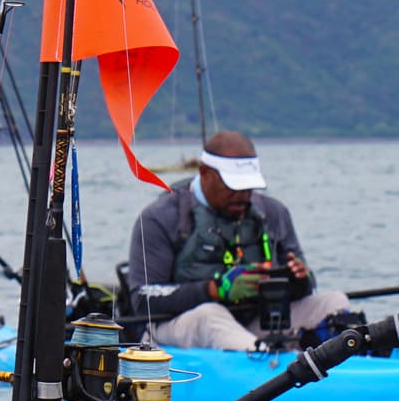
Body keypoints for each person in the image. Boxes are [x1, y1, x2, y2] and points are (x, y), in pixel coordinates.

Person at [125, 130, 350, 350]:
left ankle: (351, 357)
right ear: (204, 173)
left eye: (248, 186)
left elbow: (306, 287)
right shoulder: (159, 218)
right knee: (211, 315)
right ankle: (263, 361)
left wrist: (299, 279)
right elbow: (141, 300)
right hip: (179, 326)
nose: (242, 195)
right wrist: (214, 290)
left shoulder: (273, 212)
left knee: (334, 302)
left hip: (253, 322)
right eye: (232, 186)